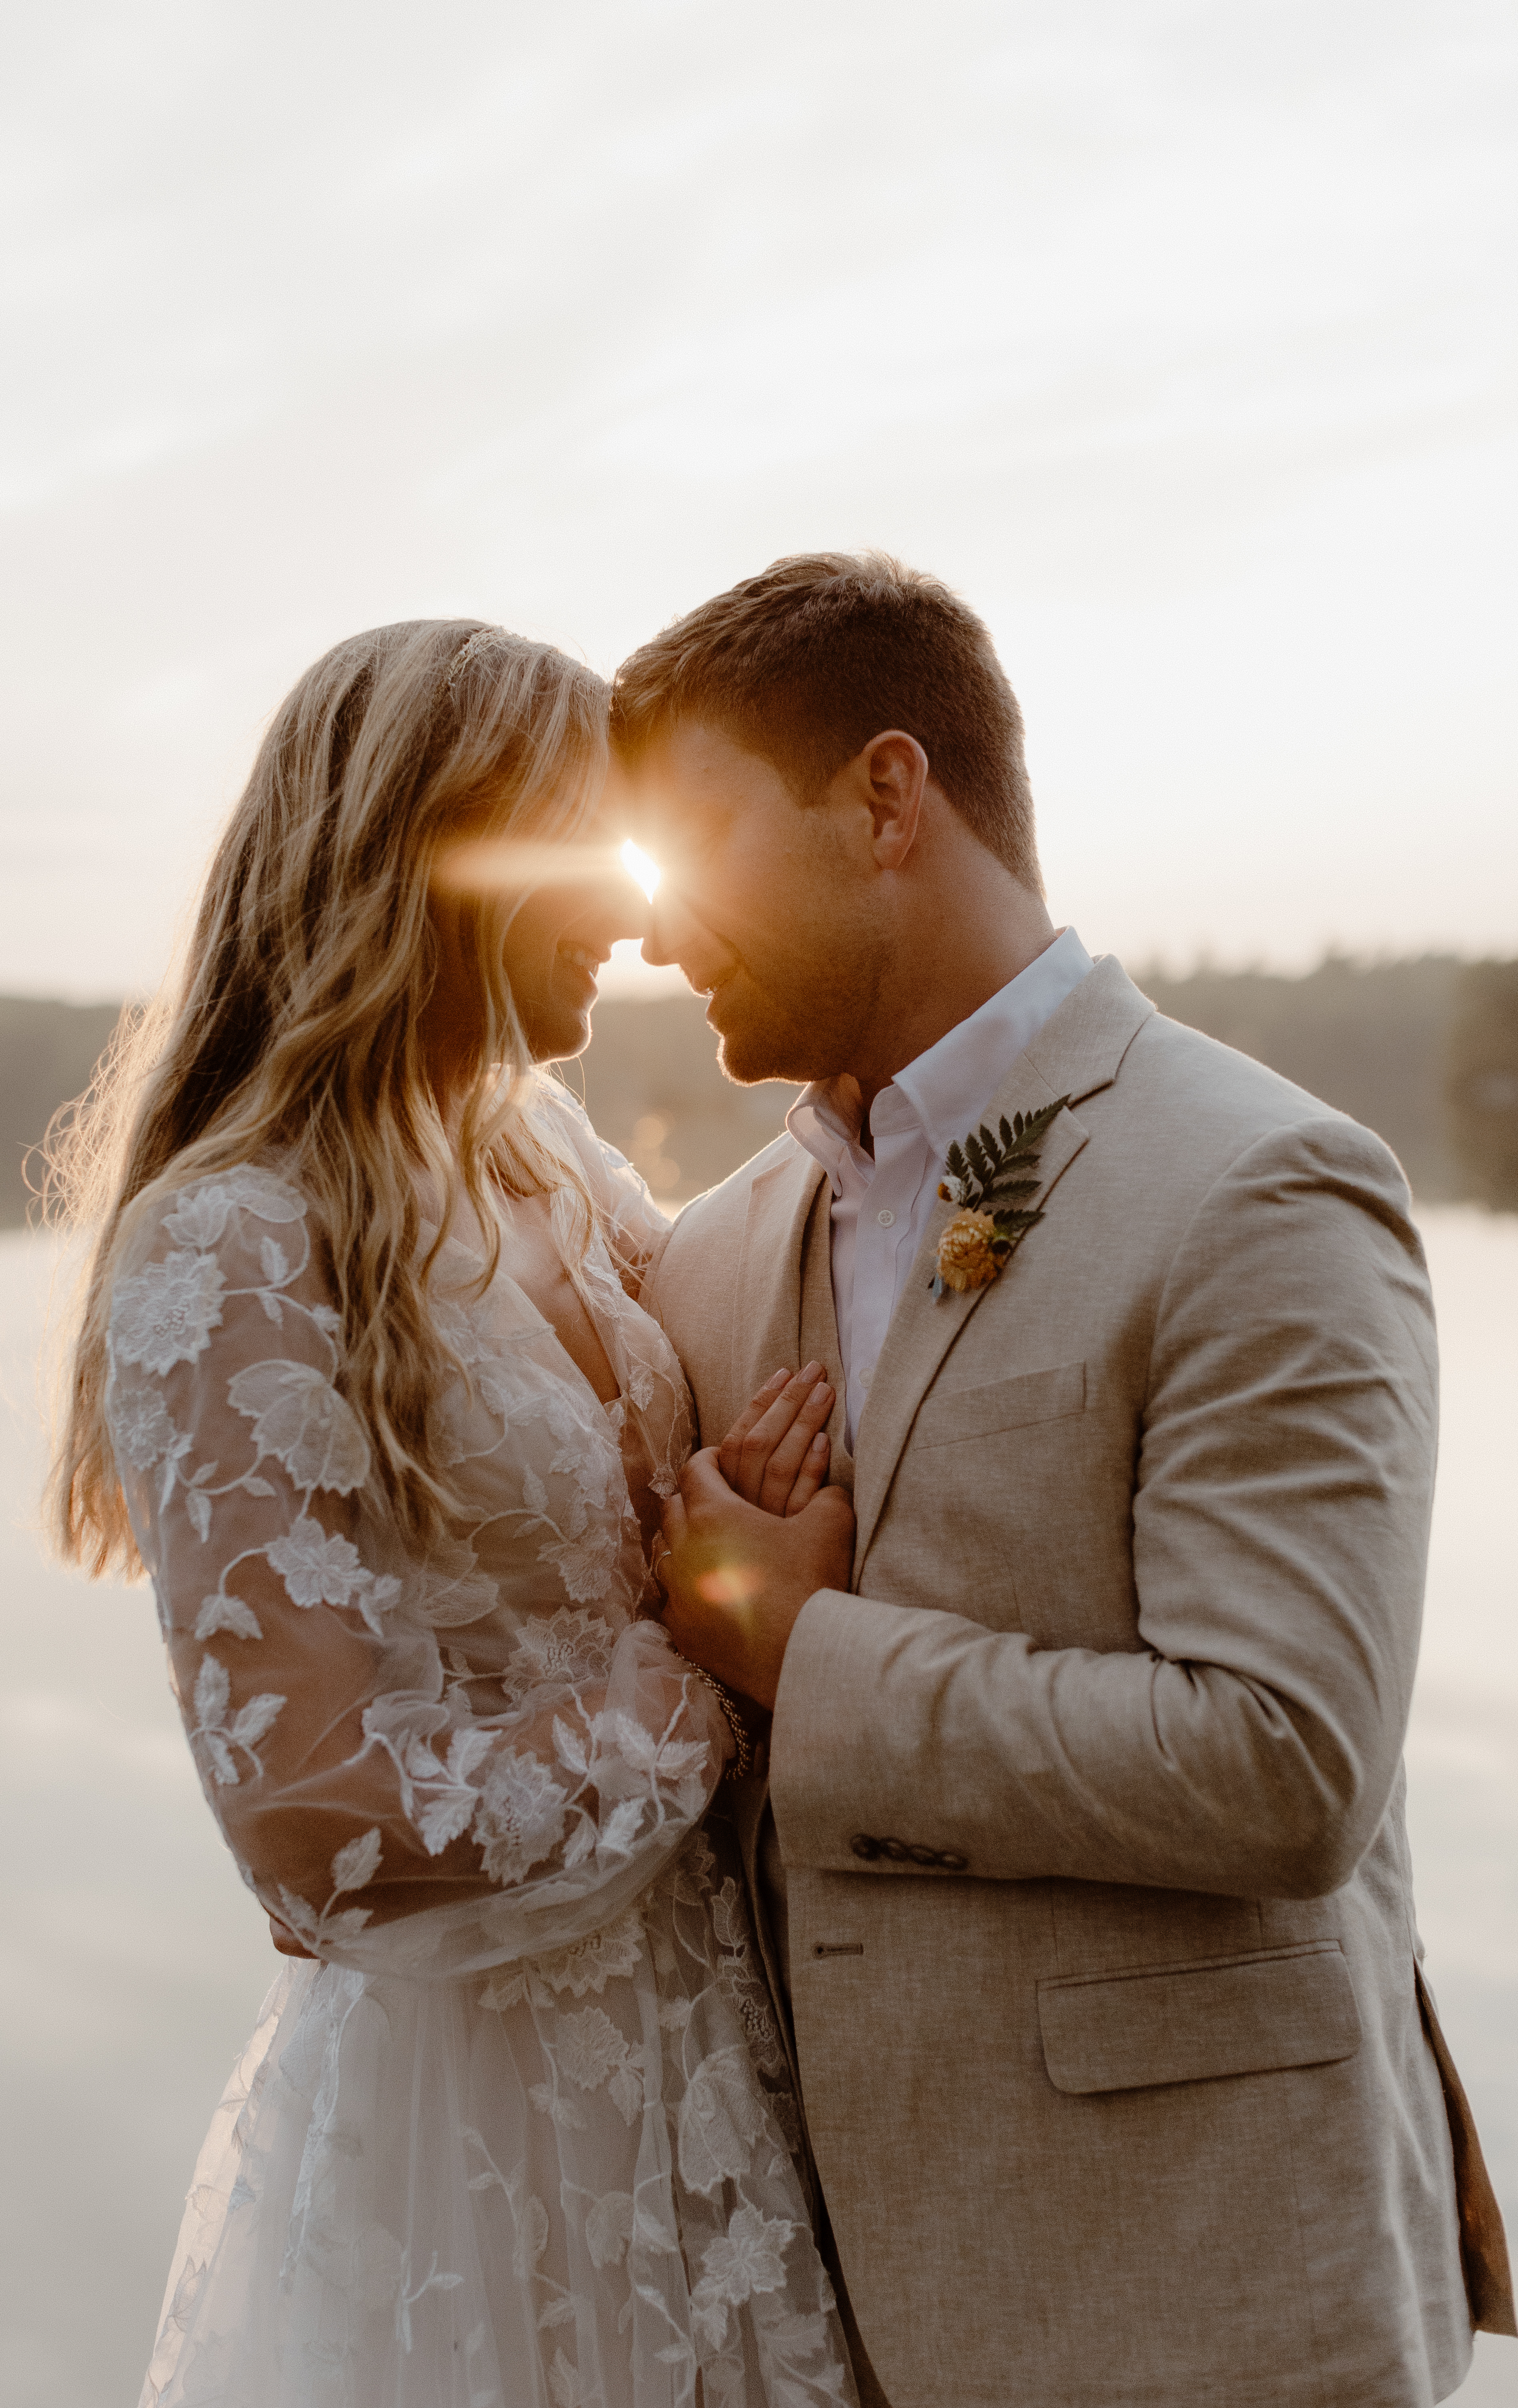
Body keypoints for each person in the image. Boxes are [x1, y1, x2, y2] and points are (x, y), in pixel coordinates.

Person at [611, 551, 1516, 2408]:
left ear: (886, 797)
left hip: (1207, 2297)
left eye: (691, 841)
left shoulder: (1260, 1187)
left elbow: (1281, 1761)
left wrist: (808, 1652)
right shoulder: (699, 1262)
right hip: (814, 2312)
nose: (647, 931)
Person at [46, 619, 858, 2407]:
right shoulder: (233, 1240)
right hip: (479, 2127)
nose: (640, 916)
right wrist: (710, 1669)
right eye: (593, 852)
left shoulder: (539, 1149)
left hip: (710, 2037)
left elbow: (715, 1447)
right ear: (438, 856)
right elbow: (317, 1828)